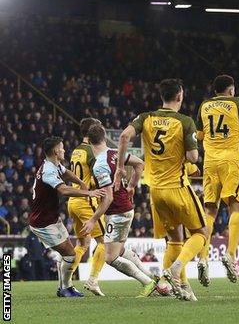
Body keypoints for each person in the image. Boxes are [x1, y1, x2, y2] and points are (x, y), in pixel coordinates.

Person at [114, 78, 207, 301]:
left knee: (175, 240)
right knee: (201, 234)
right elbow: (193, 157)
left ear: (162, 97)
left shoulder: (146, 118)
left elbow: (124, 135)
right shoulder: (185, 122)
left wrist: (119, 169)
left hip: (155, 191)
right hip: (178, 187)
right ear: (180, 96)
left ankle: (180, 286)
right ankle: (177, 269)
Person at [80, 123, 158, 297]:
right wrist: (131, 186)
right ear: (104, 136)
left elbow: (108, 197)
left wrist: (93, 219)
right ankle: (152, 278)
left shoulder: (99, 165)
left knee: (110, 258)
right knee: (120, 251)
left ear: (88, 140)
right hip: (122, 209)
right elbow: (140, 164)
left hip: (118, 212)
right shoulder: (116, 153)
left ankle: (148, 283)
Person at [29, 136, 105, 297]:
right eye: (62, 148)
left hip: (51, 218)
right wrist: (89, 192)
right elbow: (63, 190)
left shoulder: (54, 165)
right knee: (70, 254)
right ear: (56, 151)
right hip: (43, 222)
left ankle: (63, 287)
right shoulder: (48, 171)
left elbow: (67, 173)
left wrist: (80, 182)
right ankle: (66, 288)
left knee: (67, 253)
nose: (64, 150)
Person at [196, 74, 239, 285]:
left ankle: (202, 259)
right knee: (235, 208)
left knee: (209, 212)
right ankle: (230, 254)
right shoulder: (236, 102)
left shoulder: (204, 105)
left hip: (209, 163)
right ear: (231, 90)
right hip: (231, 161)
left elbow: (199, 136)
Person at [67, 117, 107, 296]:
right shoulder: (91, 151)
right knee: (105, 241)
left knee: (82, 244)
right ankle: (93, 280)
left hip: (73, 201)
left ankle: (66, 282)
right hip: (86, 201)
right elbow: (97, 176)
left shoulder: (76, 151)